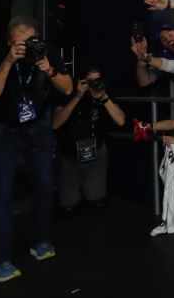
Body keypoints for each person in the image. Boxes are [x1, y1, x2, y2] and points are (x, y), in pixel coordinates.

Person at [0, 17, 74, 283]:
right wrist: (9, 62)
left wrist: (51, 71)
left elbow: (68, 88)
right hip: (3, 128)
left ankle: (41, 241)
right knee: (1, 192)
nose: (26, 47)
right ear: (9, 43)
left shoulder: (47, 53)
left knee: (45, 185)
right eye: (19, 43)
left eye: (30, 41)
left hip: (38, 126)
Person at [51, 67, 125, 215]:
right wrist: (77, 96)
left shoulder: (104, 95)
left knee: (96, 202)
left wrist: (103, 97)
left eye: (97, 80)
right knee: (67, 207)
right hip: (69, 155)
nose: (94, 84)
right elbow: (55, 124)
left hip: (95, 153)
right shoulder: (67, 93)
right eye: (90, 81)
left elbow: (121, 120)